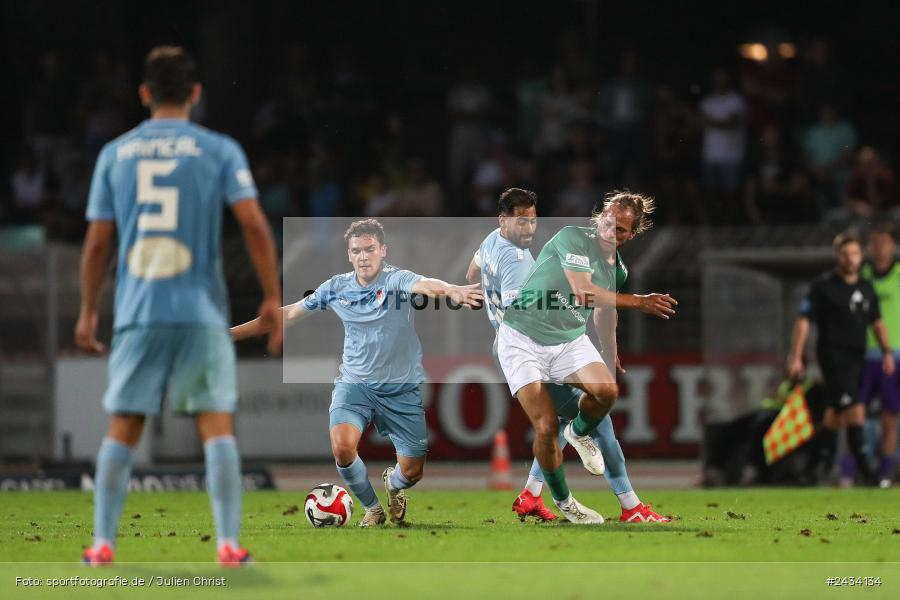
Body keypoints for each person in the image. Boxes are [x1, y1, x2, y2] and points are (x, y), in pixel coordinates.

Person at [76, 47, 283, 566]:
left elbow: (98, 243)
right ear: (196, 93)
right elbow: (255, 225)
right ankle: (229, 546)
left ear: (144, 94)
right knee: (216, 425)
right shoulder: (219, 150)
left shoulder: (114, 154)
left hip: (138, 312)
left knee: (123, 426)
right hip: (202, 314)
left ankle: (103, 545)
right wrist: (272, 295)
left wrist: (86, 310)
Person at [231, 219, 482, 527]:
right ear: (349, 255)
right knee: (342, 448)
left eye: (370, 249)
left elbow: (427, 284)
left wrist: (452, 290)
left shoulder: (396, 280)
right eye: (357, 250)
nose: (364, 256)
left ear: (383, 251)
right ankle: (373, 509)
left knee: (413, 471)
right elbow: (288, 314)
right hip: (355, 385)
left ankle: (394, 484)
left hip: (399, 390)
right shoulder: (336, 287)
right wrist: (230, 334)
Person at [467, 188, 670, 523]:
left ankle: (535, 491)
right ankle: (618, 505)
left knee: (601, 396)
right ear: (599, 217)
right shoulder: (572, 238)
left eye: (620, 229)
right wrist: (640, 301)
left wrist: (609, 352)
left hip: (567, 342)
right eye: (608, 221)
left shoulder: (616, 268)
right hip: (522, 340)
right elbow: (585, 292)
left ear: (631, 235)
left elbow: (603, 312)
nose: (610, 230)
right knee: (558, 424)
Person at [787, 232, 895, 486]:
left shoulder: (866, 288)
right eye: (845, 254)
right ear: (838, 256)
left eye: (855, 253)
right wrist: (796, 356)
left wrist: (887, 352)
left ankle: (814, 465)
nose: (851, 258)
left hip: (859, 358)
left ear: (861, 256)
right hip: (832, 357)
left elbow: (877, 323)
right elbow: (804, 322)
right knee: (856, 411)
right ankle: (869, 472)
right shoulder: (823, 287)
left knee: (835, 416)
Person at [860, 223, 900, 487]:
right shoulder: (862, 276)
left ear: (893, 246)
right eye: (875, 242)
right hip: (863, 356)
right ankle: (849, 472)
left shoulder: (898, 275)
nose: (879, 248)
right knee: (853, 417)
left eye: (884, 242)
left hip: (894, 357)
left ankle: (885, 474)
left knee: (890, 417)